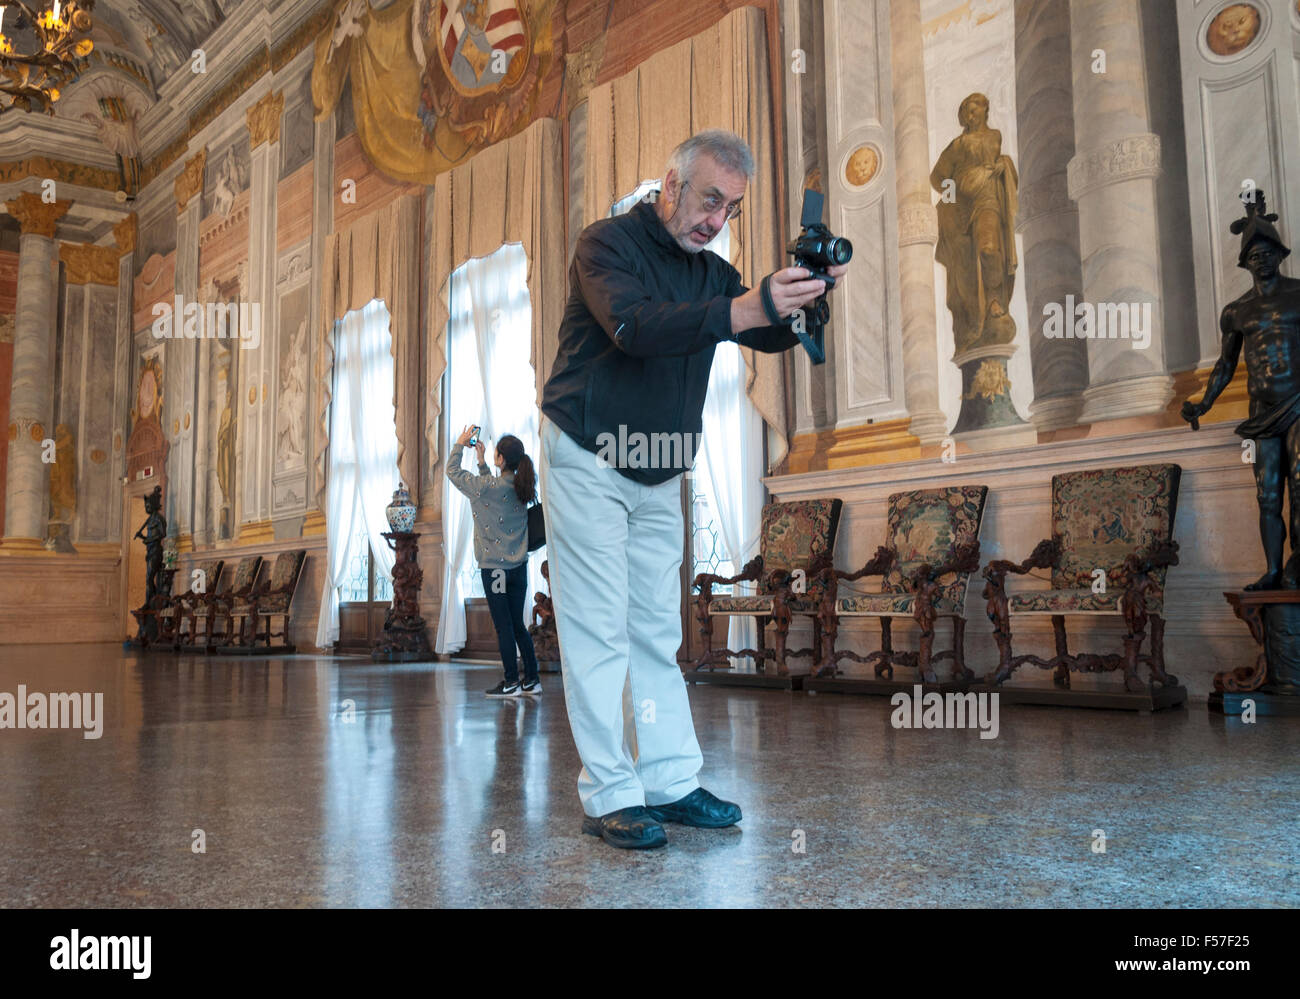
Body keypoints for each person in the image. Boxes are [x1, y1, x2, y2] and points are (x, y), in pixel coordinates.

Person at [538, 129, 850, 849]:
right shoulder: (604, 244)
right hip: (587, 451)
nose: (717, 220)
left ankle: (670, 781)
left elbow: (757, 327)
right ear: (671, 183)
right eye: (711, 199)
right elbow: (634, 326)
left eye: (732, 209)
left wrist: (798, 301)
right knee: (596, 627)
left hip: (660, 462)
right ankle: (610, 793)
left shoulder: (712, 272)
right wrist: (750, 307)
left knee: (656, 626)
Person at [446, 425, 541, 697]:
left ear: (501, 459)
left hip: (495, 571)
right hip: (519, 569)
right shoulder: (523, 486)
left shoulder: (487, 487)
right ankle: (531, 679)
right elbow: (493, 497)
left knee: (503, 626)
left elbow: (452, 472)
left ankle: (511, 681)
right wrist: (481, 463)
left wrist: (460, 444)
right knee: (518, 625)